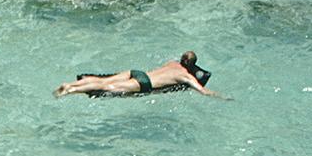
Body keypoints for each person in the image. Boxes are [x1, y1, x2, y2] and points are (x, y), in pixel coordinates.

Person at [55, 50, 221, 99]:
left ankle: (72, 83)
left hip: (137, 72)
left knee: (102, 79)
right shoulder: (185, 75)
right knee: (106, 86)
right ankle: (70, 90)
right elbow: (203, 91)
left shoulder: (172, 63)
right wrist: (220, 96)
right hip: (144, 82)